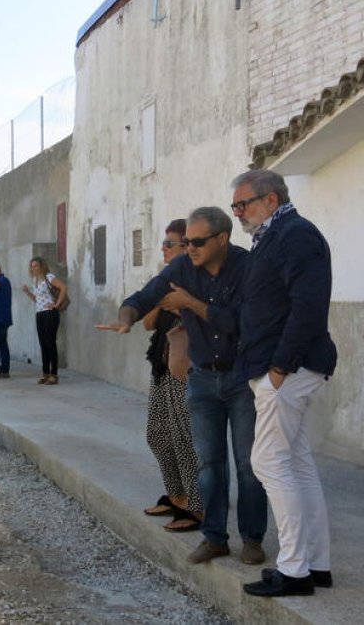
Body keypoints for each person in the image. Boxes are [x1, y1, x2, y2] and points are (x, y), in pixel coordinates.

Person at [97, 207, 267, 567]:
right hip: (202, 377)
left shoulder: (249, 267)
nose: (190, 248)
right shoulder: (181, 268)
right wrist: (125, 317)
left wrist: (189, 303)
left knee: (249, 464)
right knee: (208, 462)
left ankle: (252, 539)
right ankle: (214, 537)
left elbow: (243, 321)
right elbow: (146, 296)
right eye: (187, 241)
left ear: (223, 238)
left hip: (241, 378)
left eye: (198, 242)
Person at [231, 170, 337, 598]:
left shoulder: (295, 235)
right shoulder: (273, 237)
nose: (238, 212)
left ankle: (294, 571)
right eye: (235, 206)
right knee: (295, 462)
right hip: (281, 368)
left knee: (269, 462)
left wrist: (279, 367)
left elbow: (309, 306)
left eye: (244, 204)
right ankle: (316, 563)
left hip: (287, 370)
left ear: (270, 200)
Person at [137, 219, 203, 533]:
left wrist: (181, 305)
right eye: (163, 243)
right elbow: (149, 323)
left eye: (169, 244)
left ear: (185, 247)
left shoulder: (196, 282)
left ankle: (196, 505)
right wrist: (158, 295)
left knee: (184, 439)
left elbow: (208, 323)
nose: (163, 249)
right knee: (157, 435)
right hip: (161, 364)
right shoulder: (165, 281)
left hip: (185, 368)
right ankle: (176, 495)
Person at [21, 257, 67, 384]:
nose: (33, 268)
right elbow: (37, 299)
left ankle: (54, 374)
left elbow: (63, 287)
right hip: (40, 313)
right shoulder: (35, 280)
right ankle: (45, 373)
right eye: (32, 266)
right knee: (43, 343)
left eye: (36, 266)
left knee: (50, 343)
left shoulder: (49, 277)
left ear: (42, 266)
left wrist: (56, 304)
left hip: (50, 313)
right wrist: (27, 292)